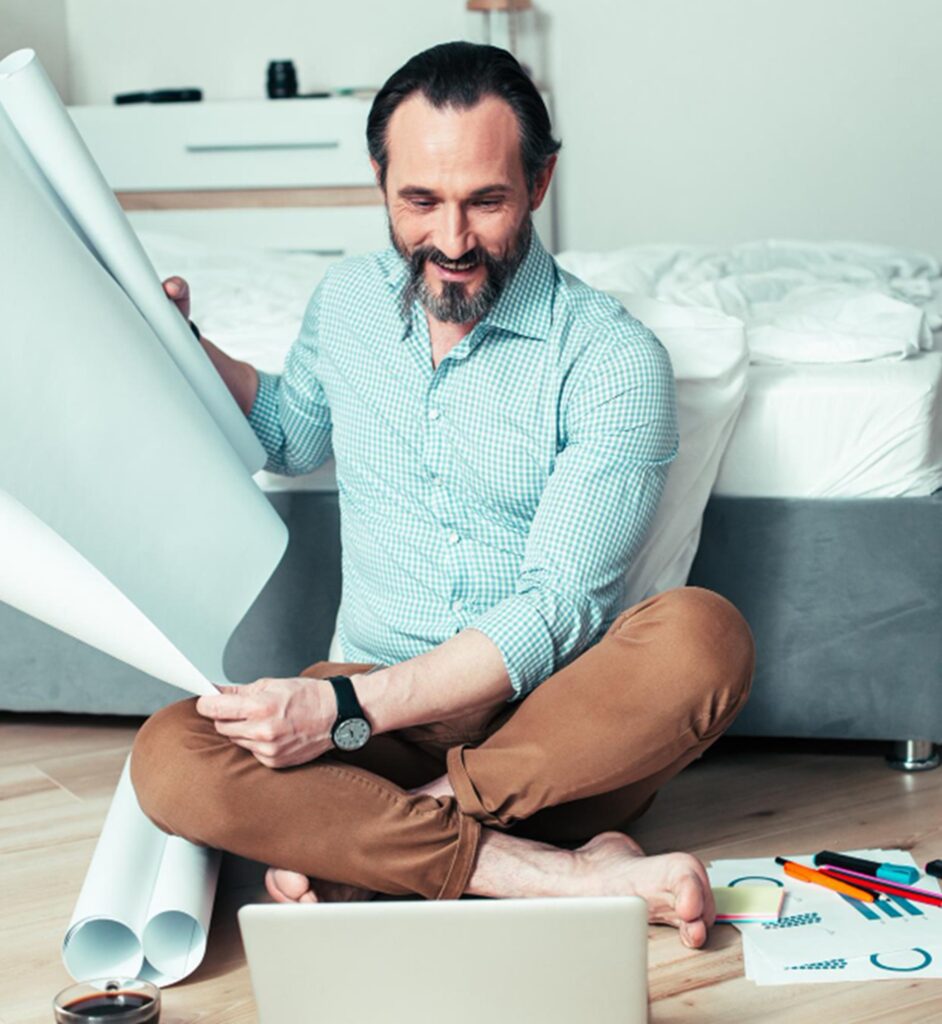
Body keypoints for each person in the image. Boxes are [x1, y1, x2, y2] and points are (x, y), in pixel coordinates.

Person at [131, 41, 754, 950]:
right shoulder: (344, 301)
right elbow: (289, 432)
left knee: (706, 637)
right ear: (380, 179)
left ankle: (378, 842)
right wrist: (180, 343)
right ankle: (550, 874)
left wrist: (343, 716)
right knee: (167, 758)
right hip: (359, 712)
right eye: (420, 200)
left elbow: (556, 607)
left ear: (538, 183)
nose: (453, 242)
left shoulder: (613, 359)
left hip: (547, 735)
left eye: (486, 201)